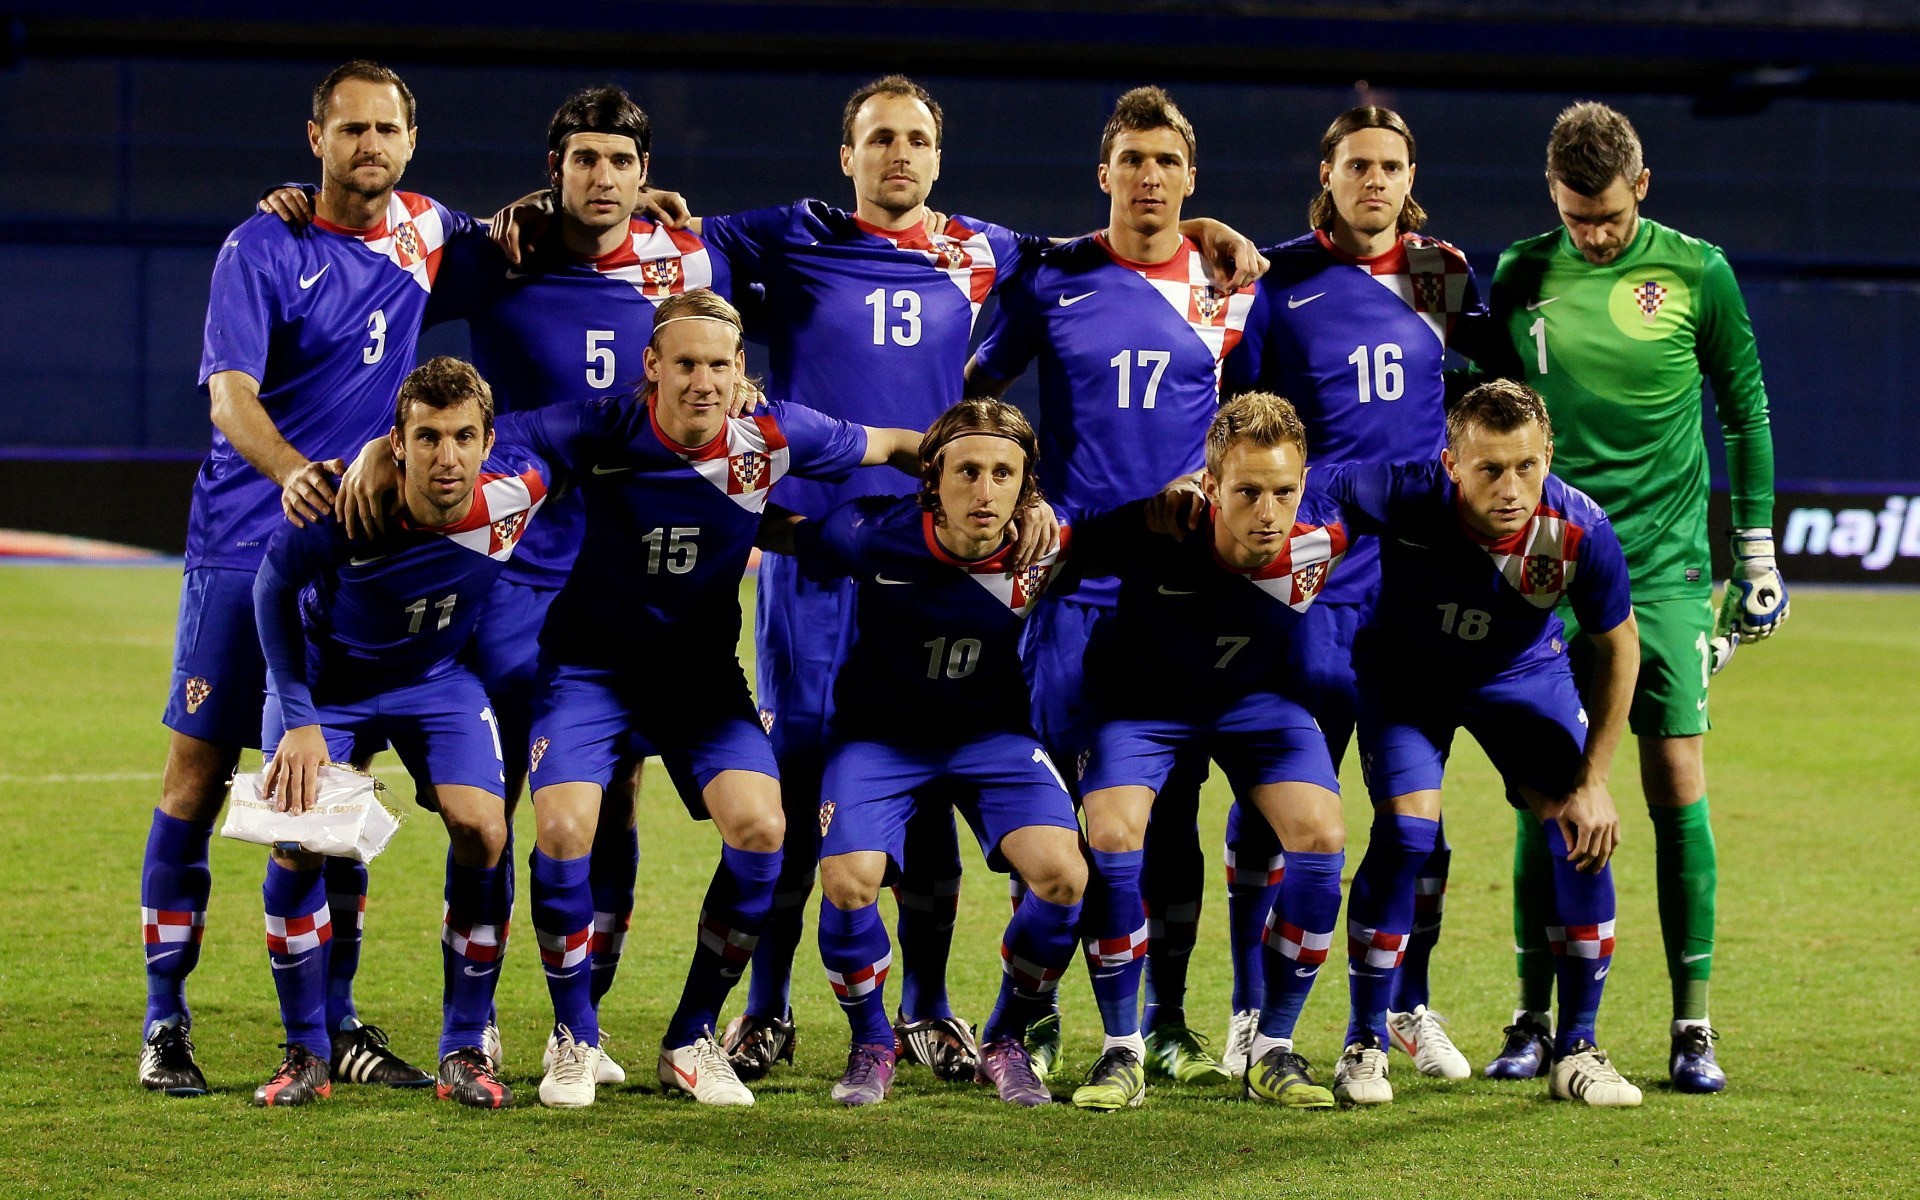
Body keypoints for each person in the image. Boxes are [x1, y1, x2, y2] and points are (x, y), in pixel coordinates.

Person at [492, 289, 923, 1108]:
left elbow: (895, 442)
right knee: (562, 827)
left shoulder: (774, 435)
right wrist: (378, 458)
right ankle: (574, 1036)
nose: (702, 381)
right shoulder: (602, 428)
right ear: (651, 367)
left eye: (719, 366)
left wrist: (979, 478)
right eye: (684, 363)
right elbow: (489, 437)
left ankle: (692, 1034)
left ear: (740, 373)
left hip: (697, 677)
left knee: (763, 829)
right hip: (589, 669)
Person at [137, 59, 467, 1096]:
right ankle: (165, 1021)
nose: (370, 145)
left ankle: (339, 1025)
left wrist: (659, 215)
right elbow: (229, 398)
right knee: (195, 777)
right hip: (244, 547)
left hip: (357, 563)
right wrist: (295, 477)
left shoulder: (428, 233)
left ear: (410, 142)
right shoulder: (262, 244)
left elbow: (538, 232)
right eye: (351, 128)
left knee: (335, 791)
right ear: (316, 139)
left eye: (387, 130)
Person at [1474, 102, 1786, 1092]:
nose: (1593, 235)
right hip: (1547, 566)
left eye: (1606, 217)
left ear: (1640, 189)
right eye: (1576, 218)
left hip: (1666, 573)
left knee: (1674, 780)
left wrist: (1759, 547)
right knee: (1546, 795)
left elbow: (1746, 410)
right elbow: (1483, 404)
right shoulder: (1523, 271)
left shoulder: (1699, 270)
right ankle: (1531, 1019)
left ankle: (1693, 1026)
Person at [964, 84, 1257, 1085]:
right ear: (1105, 175)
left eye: (1167, 162)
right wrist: (1017, 488)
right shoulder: (1053, 276)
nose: (1149, 177)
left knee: (1166, 817)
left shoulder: (1227, 289)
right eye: (1132, 160)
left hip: (1174, 595)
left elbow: (1259, 420)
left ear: (1189, 177)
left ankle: (1165, 1021)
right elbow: (977, 393)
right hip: (1068, 591)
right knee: (1051, 815)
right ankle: (1034, 1015)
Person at [1216, 105, 1483, 1081]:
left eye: (1391, 166)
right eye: (1357, 165)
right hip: (1312, 580)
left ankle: (1407, 1004)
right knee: (1283, 800)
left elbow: (1470, 402)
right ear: (1325, 174)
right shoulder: (1279, 283)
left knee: (1422, 820)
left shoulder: (1438, 274)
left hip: (1415, 583)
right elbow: (1236, 421)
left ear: (1411, 176)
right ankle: (1252, 1010)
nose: (1374, 181)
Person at [1317, 379, 1643, 1108]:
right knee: (1406, 832)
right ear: (1450, 464)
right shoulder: (1406, 494)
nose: (1511, 486)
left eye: (1526, 466)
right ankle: (1366, 1038)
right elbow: (1321, 486)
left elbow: (1620, 647)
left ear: (1548, 456)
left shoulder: (1577, 530)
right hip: (1408, 680)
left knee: (1580, 829)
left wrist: (1595, 780)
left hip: (1521, 677)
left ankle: (1579, 1048)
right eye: (1490, 468)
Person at [758, 399, 1082, 1107]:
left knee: (1063, 877)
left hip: (991, 741)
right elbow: (783, 535)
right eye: (968, 471)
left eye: (1004, 474)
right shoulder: (872, 531)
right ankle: (872, 1041)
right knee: (847, 882)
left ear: (1027, 487)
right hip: (881, 739)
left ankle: (1004, 1039)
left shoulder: (1046, 544)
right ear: (933, 478)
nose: (985, 490)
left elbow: (1130, 537)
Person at [250, 358, 543, 1109]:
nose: (447, 457)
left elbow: (598, 429)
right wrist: (302, 720)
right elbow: (271, 588)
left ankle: (464, 1047)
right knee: (299, 840)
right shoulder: (350, 504)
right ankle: (305, 1050)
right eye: (428, 437)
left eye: (463, 438)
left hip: (437, 679)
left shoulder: (519, 489)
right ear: (400, 443)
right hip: (328, 687)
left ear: (488, 442)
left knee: (484, 829)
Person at [1064, 392, 1349, 1111]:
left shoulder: (1323, 531)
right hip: (1143, 706)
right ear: (1210, 484)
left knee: (1321, 836)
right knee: (1114, 833)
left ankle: (1272, 1047)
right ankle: (1120, 1048)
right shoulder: (1160, 526)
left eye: (1283, 492)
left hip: (1255, 706)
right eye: (1247, 491)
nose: (1267, 510)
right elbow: (1065, 547)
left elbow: (1426, 495)